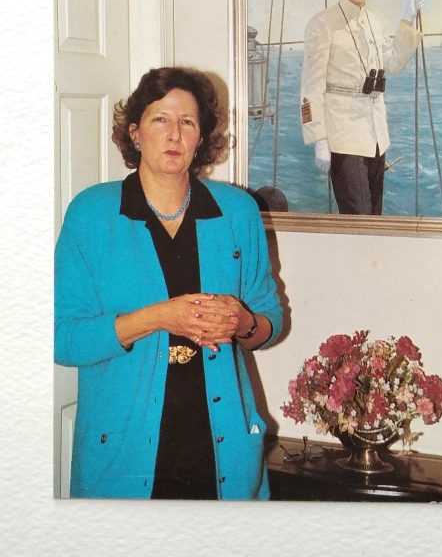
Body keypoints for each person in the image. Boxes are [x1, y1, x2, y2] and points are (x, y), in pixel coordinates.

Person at [55, 67, 283, 500]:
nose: (174, 134)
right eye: (160, 119)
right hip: (121, 451)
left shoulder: (238, 212)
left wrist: (243, 322)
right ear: (135, 132)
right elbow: (60, 338)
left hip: (220, 449)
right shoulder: (91, 214)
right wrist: (158, 317)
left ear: (201, 138)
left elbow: (269, 320)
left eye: (188, 122)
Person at [300, 0, 424, 215]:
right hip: (343, 139)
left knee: (374, 221)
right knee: (358, 222)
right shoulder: (322, 24)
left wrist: (408, 18)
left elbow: (393, 63)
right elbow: (311, 87)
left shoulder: (373, 21)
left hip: (376, 138)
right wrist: (320, 138)